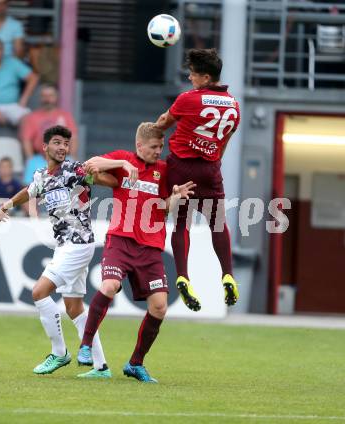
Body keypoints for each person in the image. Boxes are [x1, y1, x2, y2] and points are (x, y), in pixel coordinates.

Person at [0, 125, 118, 378]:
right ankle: (101, 366)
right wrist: (5, 206)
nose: (63, 147)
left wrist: (107, 172)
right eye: (58, 142)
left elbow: (111, 181)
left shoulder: (75, 170)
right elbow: (29, 192)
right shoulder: (41, 176)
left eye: (66, 144)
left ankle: (59, 353)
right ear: (45, 147)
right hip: (66, 246)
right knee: (74, 307)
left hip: (78, 244)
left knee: (39, 292)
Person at [78, 122, 195, 383]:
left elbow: (165, 209)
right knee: (109, 286)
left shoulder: (164, 171)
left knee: (160, 306)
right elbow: (89, 165)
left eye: (161, 146)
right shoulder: (124, 159)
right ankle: (85, 345)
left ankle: (135, 363)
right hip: (121, 239)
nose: (158, 151)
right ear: (139, 145)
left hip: (151, 247)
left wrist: (175, 197)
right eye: (154, 147)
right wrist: (123, 165)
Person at [155, 48, 241, 311]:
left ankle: (182, 275)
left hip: (181, 166)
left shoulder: (188, 99)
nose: (190, 78)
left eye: (193, 75)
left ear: (205, 77)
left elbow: (163, 122)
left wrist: (151, 134)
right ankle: (227, 274)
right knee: (218, 224)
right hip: (211, 169)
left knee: (181, 224)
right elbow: (223, 142)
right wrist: (214, 161)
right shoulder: (234, 106)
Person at [20, 85, 78, 160]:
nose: (47, 99)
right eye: (44, 96)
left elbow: (73, 138)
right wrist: (31, 160)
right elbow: (26, 140)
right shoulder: (32, 117)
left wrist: (72, 157)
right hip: (40, 159)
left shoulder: (66, 116)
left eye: (50, 96)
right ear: (40, 98)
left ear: (56, 97)